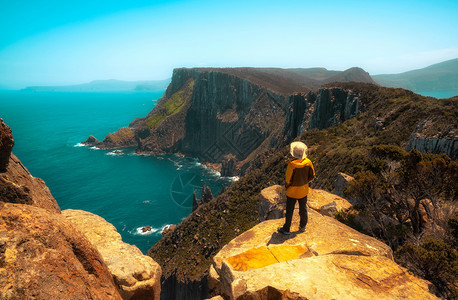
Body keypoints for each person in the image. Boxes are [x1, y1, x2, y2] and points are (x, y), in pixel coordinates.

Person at [278, 141, 315, 235]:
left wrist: (287, 186)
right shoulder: (308, 162)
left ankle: (286, 229)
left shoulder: (292, 165)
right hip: (303, 190)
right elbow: (312, 175)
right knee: (303, 209)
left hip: (292, 192)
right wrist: (304, 181)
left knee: (290, 210)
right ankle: (302, 227)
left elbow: (288, 180)